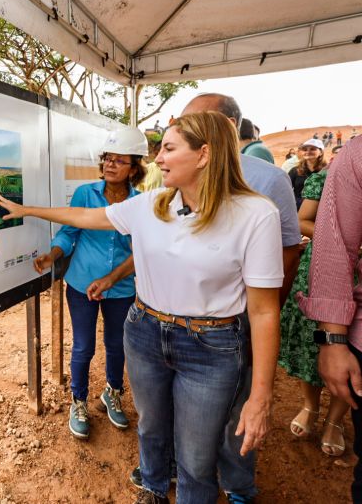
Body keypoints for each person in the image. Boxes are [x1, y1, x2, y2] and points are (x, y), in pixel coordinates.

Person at [0, 111, 283, 504]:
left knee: (197, 456)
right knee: (150, 427)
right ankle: (152, 489)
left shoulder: (255, 215)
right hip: (145, 332)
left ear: (204, 154)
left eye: (167, 148)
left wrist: (261, 397)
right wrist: (28, 210)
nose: (159, 158)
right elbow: (85, 216)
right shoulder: (152, 205)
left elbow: (264, 311)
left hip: (211, 347)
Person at [135, 93, 301, 504]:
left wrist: (261, 311)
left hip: (236, 320)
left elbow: (289, 249)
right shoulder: (173, 180)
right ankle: (170, 472)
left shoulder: (268, 182)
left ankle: (237, 486)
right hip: (176, 321)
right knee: (179, 413)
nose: (179, 135)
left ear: (223, 130)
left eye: (192, 124)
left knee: (236, 410)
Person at [34, 128, 147, 439]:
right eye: (107, 159)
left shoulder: (141, 203)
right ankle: (79, 400)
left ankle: (112, 393)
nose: (109, 164)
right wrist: (53, 255)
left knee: (116, 346)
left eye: (118, 160)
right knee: (83, 347)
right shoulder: (86, 194)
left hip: (122, 289)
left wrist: (114, 277)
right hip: (82, 285)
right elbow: (69, 232)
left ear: (134, 168)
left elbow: (140, 250)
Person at [297, 135, 362, 502]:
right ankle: (310, 409)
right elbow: (329, 236)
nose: (308, 153)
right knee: (318, 352)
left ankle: (333, 423)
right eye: (303, 149)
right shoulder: (352, 160)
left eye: (313, 149)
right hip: (328, 279)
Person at [278, 168, 349, 456]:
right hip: (322, 271)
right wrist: (344, 238)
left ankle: (335, 421)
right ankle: (310, 406)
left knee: (355, 349)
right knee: (312, 343)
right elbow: (302, 221)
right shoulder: (328, 177)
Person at [289, 138, 327, 210]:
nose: (308, 152)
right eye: (305, 150)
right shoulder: (295, 171)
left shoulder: (327, 171)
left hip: (320, 211)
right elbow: (286, 189)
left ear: (321, 152)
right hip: (298, 210)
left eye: (312, 149)